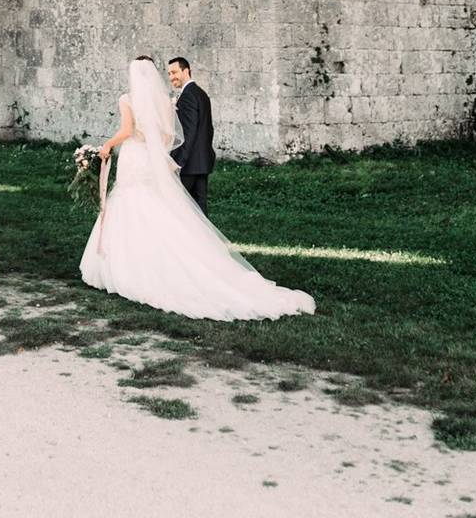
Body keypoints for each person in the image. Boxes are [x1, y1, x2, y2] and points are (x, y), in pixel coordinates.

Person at [79, 58, 315, 321]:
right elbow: (169, 137)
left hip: (135, 158)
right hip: (151, 161)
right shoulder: (164, 102)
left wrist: (108, 145)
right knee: (158, 209)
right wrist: (157, 152)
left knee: (131, 204)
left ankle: (134, 269)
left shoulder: (128, 99)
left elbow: (126, 130)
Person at [168, 57, 213, 215]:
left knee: (180, 207)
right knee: (200, 208)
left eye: (174, 72)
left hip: (189, 163)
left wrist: (178, 161)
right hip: (202, 161)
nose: (171, 77)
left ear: (185, 70)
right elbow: (208, 129)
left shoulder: (188, 95)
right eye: (169, 74)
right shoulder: (200, 93)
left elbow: (189, 132)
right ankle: (205, 239)